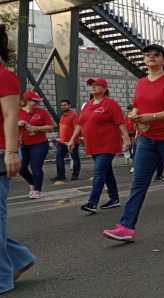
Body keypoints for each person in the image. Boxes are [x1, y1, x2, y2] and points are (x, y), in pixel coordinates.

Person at [103, 44, 164, 241]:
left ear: (163, 60)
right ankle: (126, 226)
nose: (151, 57)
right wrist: (134, 115)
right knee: (138, 183)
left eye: (156, 55)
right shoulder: (141, 83)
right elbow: (136, 107)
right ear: (144, 59)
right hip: (147, 140)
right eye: (147, 55)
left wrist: (152, 117)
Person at [0, 25, 36, 294]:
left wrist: (11, 152)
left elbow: (11, 116)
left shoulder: (4, 76)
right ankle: (21, 258)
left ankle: (2, 279)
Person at [71, 78, 129, 213]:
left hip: (108, 144)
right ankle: (114, 199)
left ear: (104, 88)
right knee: (107, 172)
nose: (93, 87)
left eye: (96, 85)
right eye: (92, 85)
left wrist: (126, 138)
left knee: (99, 172)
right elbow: (80, 124)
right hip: (93, 145)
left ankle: (92, 203)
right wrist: (72, 139)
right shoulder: (87, 105)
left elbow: (120, 122)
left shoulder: (110, 104)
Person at [18, 90, 54, 199]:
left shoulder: (42, 112)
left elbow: (50, 127)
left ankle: (37, 190)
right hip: (23, 144)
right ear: (28, 101)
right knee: (21, 167)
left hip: (39, 144)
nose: (38, 103)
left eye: (38, 101)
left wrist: (36, 128)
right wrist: (18, 124)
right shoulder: (18, 112)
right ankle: (33, 183)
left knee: (36, 167)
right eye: (35, 101)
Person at [51, 99, 80, 185]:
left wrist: (73, 141)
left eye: (65, 105)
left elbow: (77, 128)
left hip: (72, 142)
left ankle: (75, 175)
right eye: (62, 105)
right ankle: (61, 175)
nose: (63, 107)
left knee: (75, 158)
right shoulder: (63, 116)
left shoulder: (74, 115)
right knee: (59, 157)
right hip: (62, 142)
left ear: (69, 106)